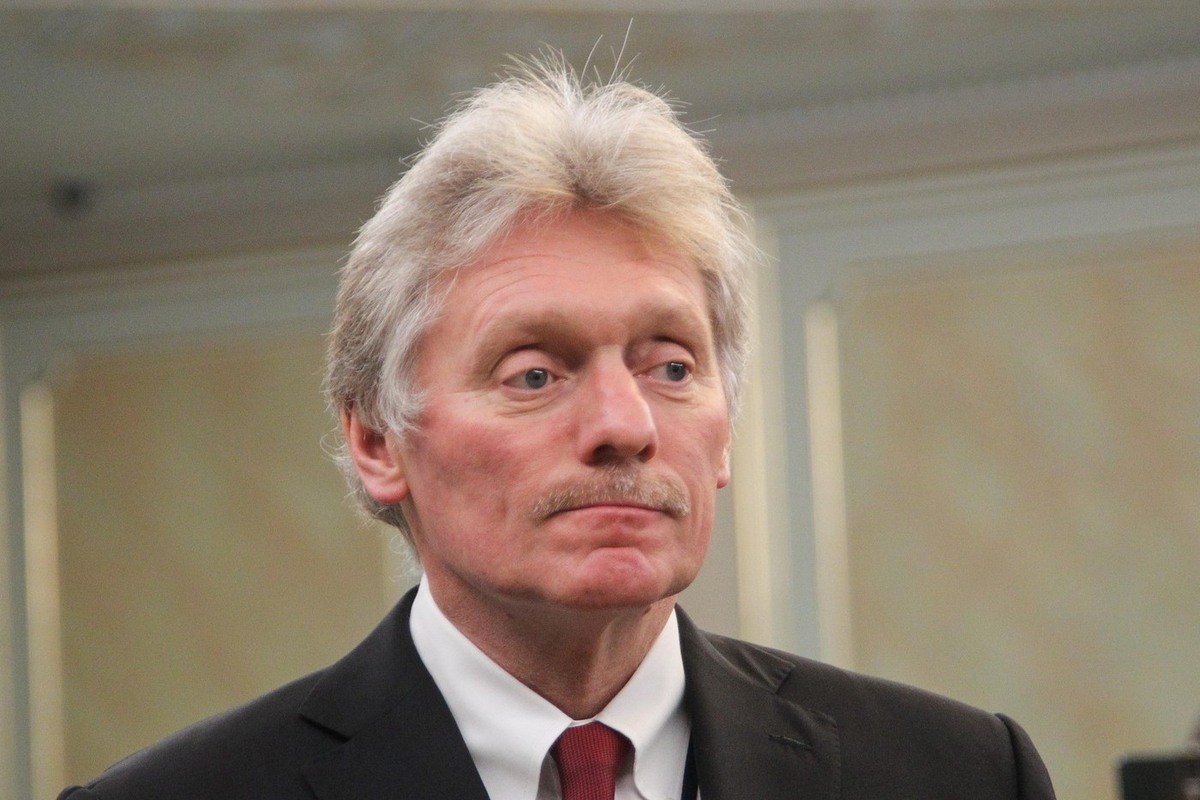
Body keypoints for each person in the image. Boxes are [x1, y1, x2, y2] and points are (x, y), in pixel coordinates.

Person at [59, 54, 1056, 800]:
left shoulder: (961, 774)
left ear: (726, 431)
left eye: (671, 366)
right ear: (378, 440)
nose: (626, 425)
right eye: (534, 373)